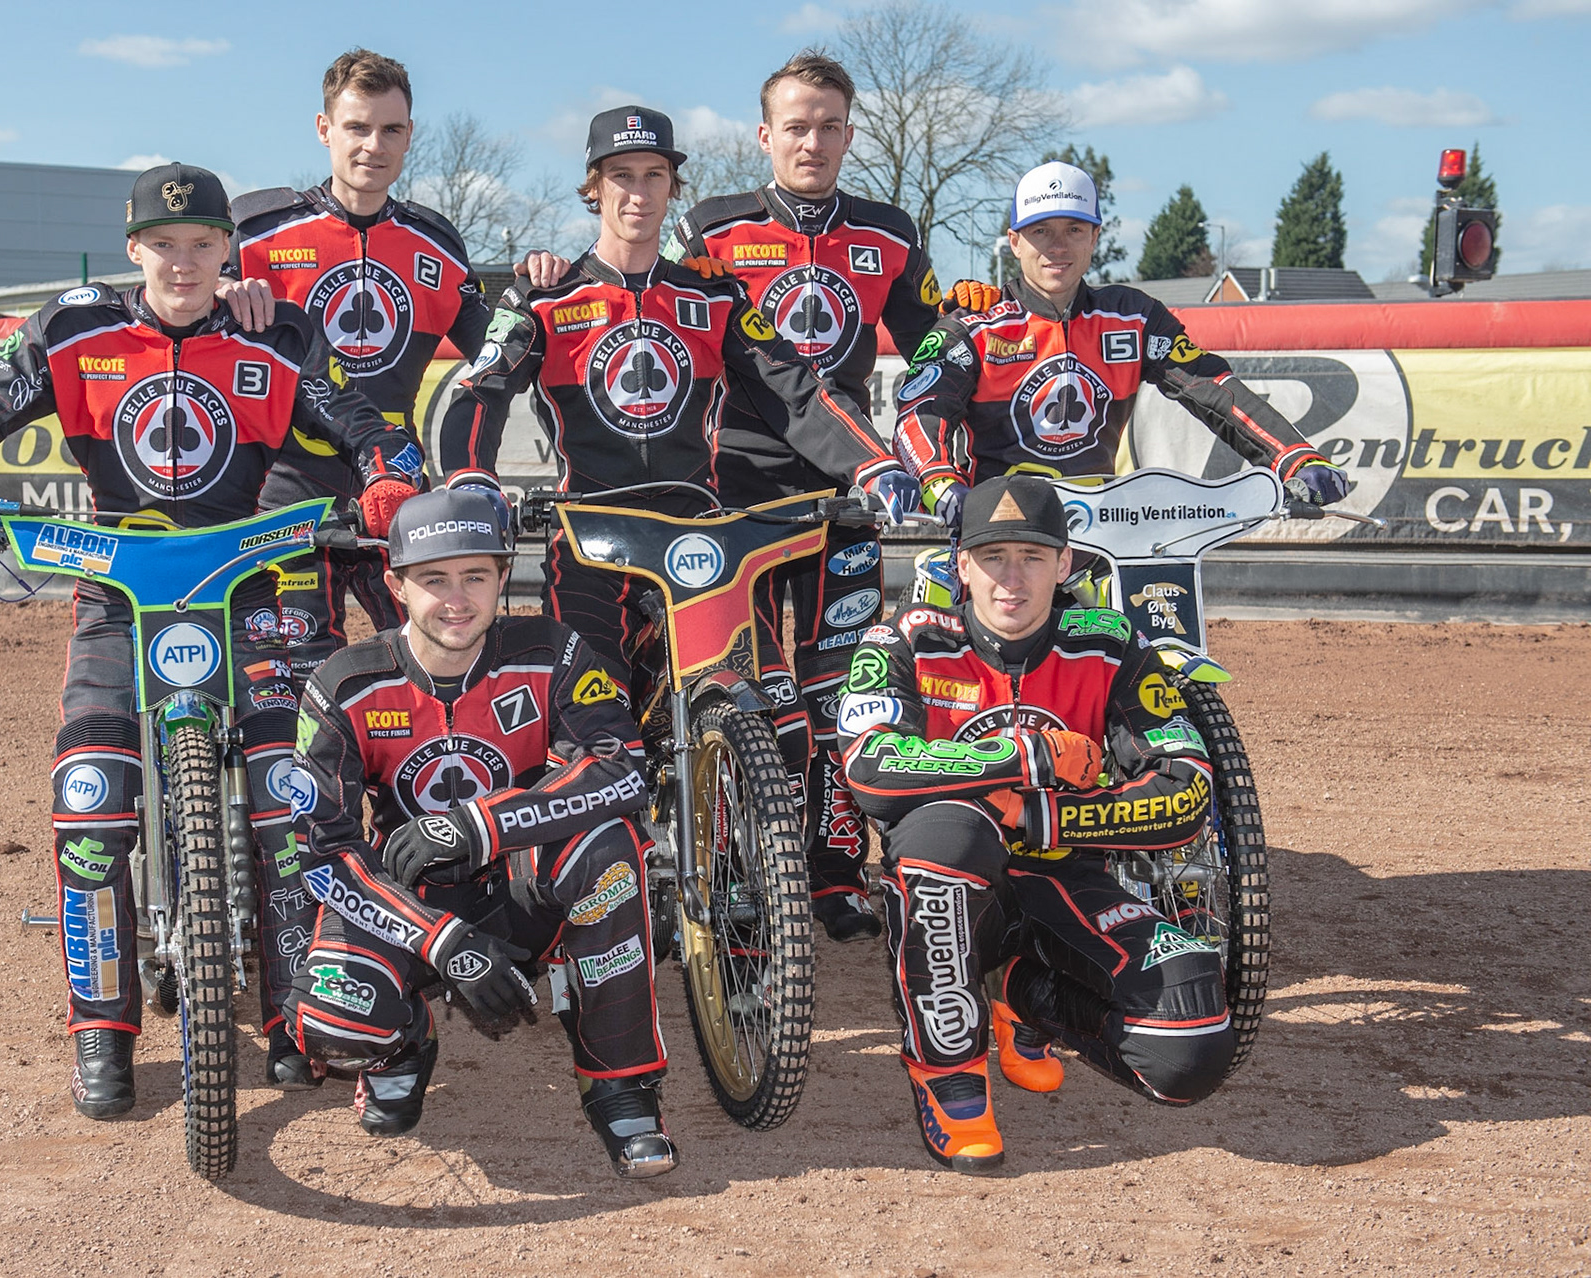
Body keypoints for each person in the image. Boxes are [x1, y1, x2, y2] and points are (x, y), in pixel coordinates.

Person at [0, 163, 422, 1118]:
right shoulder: (72, 330)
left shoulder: (276, 332)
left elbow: (368, 423)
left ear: (229, 248)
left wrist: (388, 476)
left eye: (203, 244)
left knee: (292, 793)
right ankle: (101, 1034)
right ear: (132, 247)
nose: (183, 263)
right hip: (116, 593)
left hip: (250, 589)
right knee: (90, 797)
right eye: (163, 245)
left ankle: (292, 1016)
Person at [435, 104, 918, 702]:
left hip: (697, 540)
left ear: (673, 187)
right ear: (594, 187)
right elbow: (480, 390)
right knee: (595, 722)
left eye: (654, 175)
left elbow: (795, 388)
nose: (639, 194)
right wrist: (471, 477)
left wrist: (874, 463)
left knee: (762, 710)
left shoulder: (716, 295)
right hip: (590, 541)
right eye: (622, 176)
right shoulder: (542, 297)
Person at [839, 475, 1234, 1173]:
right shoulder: (905, 640)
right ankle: (950, 1077)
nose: (1012, 579)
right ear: (961, 566)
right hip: (957, 887)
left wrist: (1038, 813)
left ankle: (1024, 993)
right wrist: (1026, 754)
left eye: (1032, 556)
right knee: (945, 837)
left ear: (1065, 563)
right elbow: (870, 768)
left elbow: (1186, 790)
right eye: (993, 557)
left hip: (1070, 883)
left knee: (1191, 1045)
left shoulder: (1111, 644)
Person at [280, 489, 676, 1178]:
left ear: (503, 577)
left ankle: (621, 1088)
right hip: (410, 903)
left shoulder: (551, 650)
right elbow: (324, 855)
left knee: (611, 849)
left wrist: (482, 824)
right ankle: (405, 1042)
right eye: (434, 579)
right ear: (396, 586)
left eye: (476, 576)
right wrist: (443, 941)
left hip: (523, 887)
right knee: (333, 1023)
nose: (457, 600)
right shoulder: (342, 684)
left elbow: (623, 771)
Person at [665, 50, 943, 944]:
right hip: (732, 495)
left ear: (850, 135)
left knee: (840, 690)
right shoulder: (709, 228)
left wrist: (970, 323)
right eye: (796, 126)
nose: (812, 142)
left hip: (848, 493)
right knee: (747, 692)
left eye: (829, 127)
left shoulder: (890, 232)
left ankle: (833, 873)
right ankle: (740, 868)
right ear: (764, 135)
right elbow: (655, 318)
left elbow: (933, 349)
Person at [891, 161, 1350, 523]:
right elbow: (919, 414)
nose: (1057, 247)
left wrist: (1294, 457)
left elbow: (1213, 389)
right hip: (998, 530)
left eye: (1074, 230)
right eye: (1040, 231)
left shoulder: (1133, 317)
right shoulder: (973, 324)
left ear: (1095, 237)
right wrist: (940, 484)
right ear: (1014, 242)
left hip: (1105, 533)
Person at [214, 49, 473, 683]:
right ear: (324, 129)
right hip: (284, 482)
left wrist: (544, 283)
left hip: (396, 483)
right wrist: (217, 293)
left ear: (409, 135)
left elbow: (498, 349)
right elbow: (178, 308)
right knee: (294, 676)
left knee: (437, 661)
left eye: (390, 129)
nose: (373, 146)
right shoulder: (255, 228)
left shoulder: (438, 242)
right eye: (357, 127)